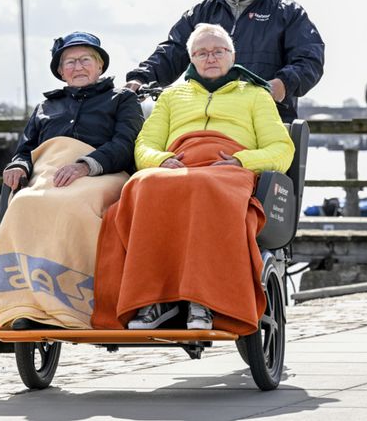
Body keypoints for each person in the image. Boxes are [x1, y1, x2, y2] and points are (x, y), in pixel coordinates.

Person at [92, 23, 294, 334]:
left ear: (232, 54)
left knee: (204, 185)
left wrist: (242, 160)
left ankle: (203, 299)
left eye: (218, 51)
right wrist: (161, 160)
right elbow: (144, 144)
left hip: (228, 167)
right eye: (202, 53)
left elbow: (282, 148)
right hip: (177, 165)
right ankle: (152, 300)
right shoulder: (172, 96)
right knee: (142, 185)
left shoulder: (255, 95)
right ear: (191, 59)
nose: (210, 57)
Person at [0, 32, 144, 330]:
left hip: (104, 175)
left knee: (72, 206)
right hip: (49, 173)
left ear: (100, 67)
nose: (79, 66)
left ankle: (73, 303)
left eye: (86, 60)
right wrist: (18, 165)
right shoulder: (46, 108)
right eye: (70, 62)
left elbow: (126, 144)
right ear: (60, 71)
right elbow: (26, 150)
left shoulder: (122, 100)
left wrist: (86, 165)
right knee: (23, 204)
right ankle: (23, 302)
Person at [125, 0, 324, 123]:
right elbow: (172, 51)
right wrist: (141, 78)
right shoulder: (199, 15)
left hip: (265, 123)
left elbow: (310, 59)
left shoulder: (288, 13)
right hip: (205, 120)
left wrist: (283, 84)